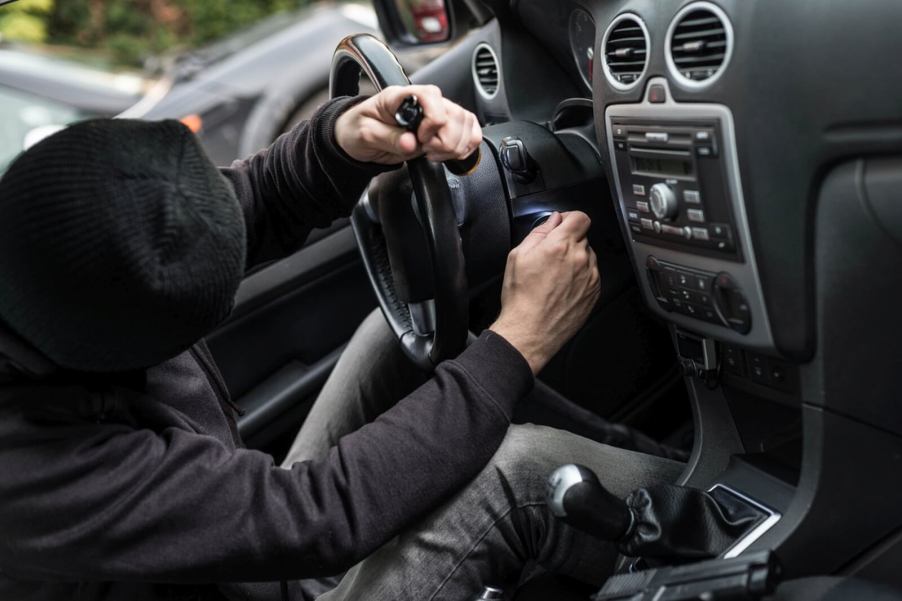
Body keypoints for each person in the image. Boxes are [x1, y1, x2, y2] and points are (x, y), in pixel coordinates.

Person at [0, 85, 682, 601]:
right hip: (278, 555)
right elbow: (315, 514)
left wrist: (347, 137)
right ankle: (726, 534)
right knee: (523, 476)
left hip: (253, 576)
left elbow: (246, 201)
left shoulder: (56, 243)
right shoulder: (26, 470)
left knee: (398, 340)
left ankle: (671, 468)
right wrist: (518, 341)